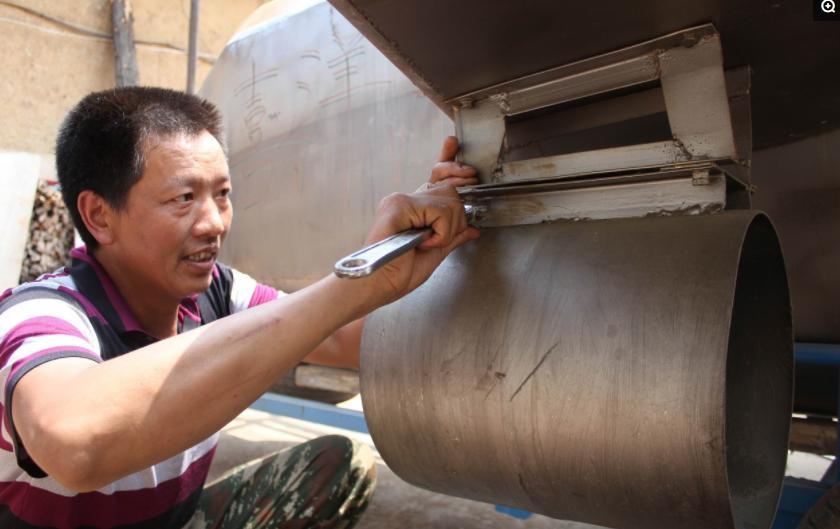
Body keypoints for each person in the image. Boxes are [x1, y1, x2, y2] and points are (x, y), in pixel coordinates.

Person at [0, 86, 479, 529]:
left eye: (222, 195)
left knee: (337, 466)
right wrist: (351, 285)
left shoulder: (219, 294)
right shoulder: (42, 313)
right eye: (183, 198)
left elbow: (339, 337)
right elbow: (74, 444)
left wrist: (415, 248)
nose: (213, 224)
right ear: (99, 215)